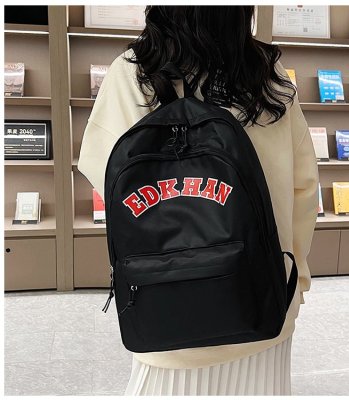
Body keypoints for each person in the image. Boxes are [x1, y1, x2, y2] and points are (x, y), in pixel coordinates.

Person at [77, 6, 318, 396]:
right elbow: (303, 188)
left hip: (166, 308)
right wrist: (296, 280)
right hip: (261, 303)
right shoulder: (266, 74)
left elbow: (107, 177)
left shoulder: (136, 71)